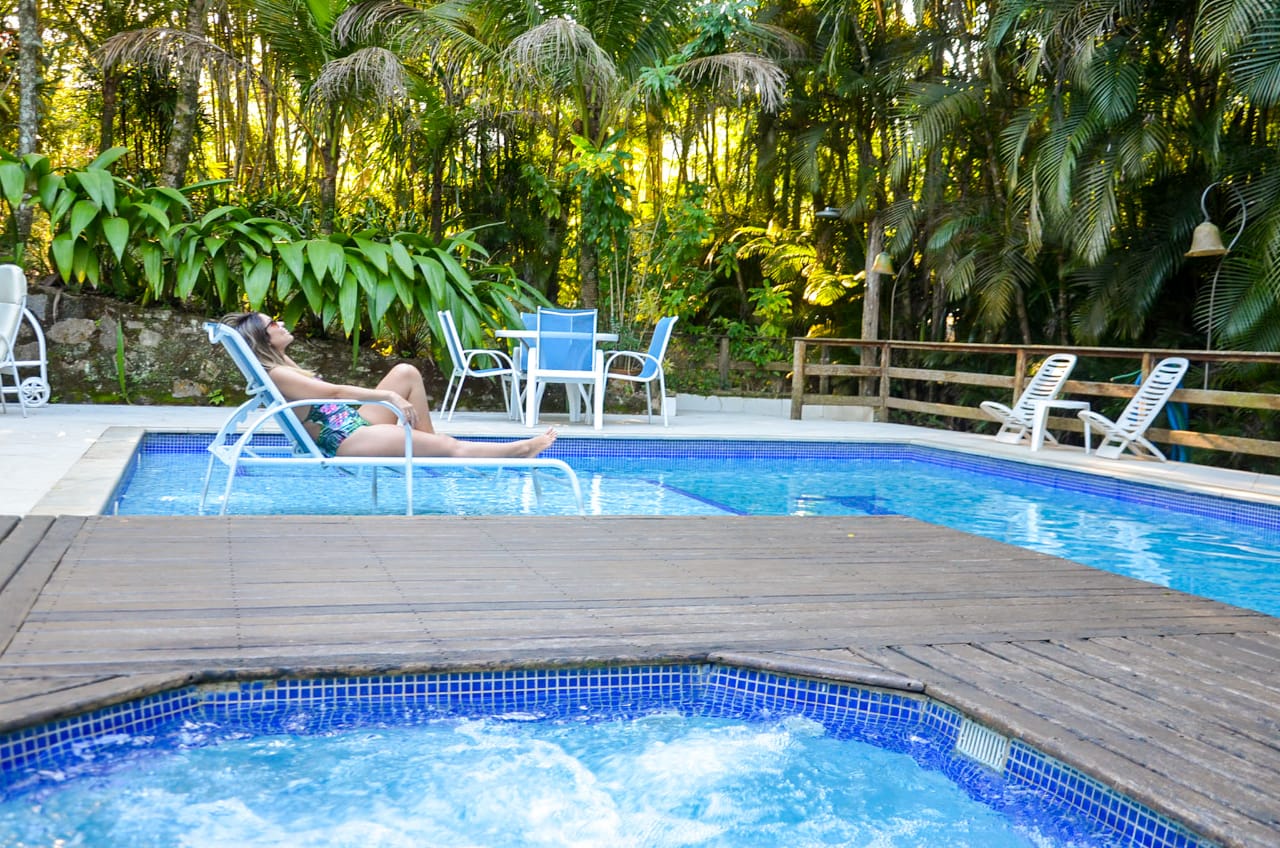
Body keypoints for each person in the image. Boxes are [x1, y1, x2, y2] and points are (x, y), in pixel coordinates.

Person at [220, 312, 556, 459]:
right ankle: (520, 450)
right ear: (264, 339)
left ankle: (431, 445)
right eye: (273, 323)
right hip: (345, 439)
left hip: (352, 424)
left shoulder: (282, 364)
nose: (280, 323)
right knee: (450, 445)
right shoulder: (277, 374)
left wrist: (391, 391)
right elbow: (334, 392)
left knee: (406, 371)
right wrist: (387, 395)